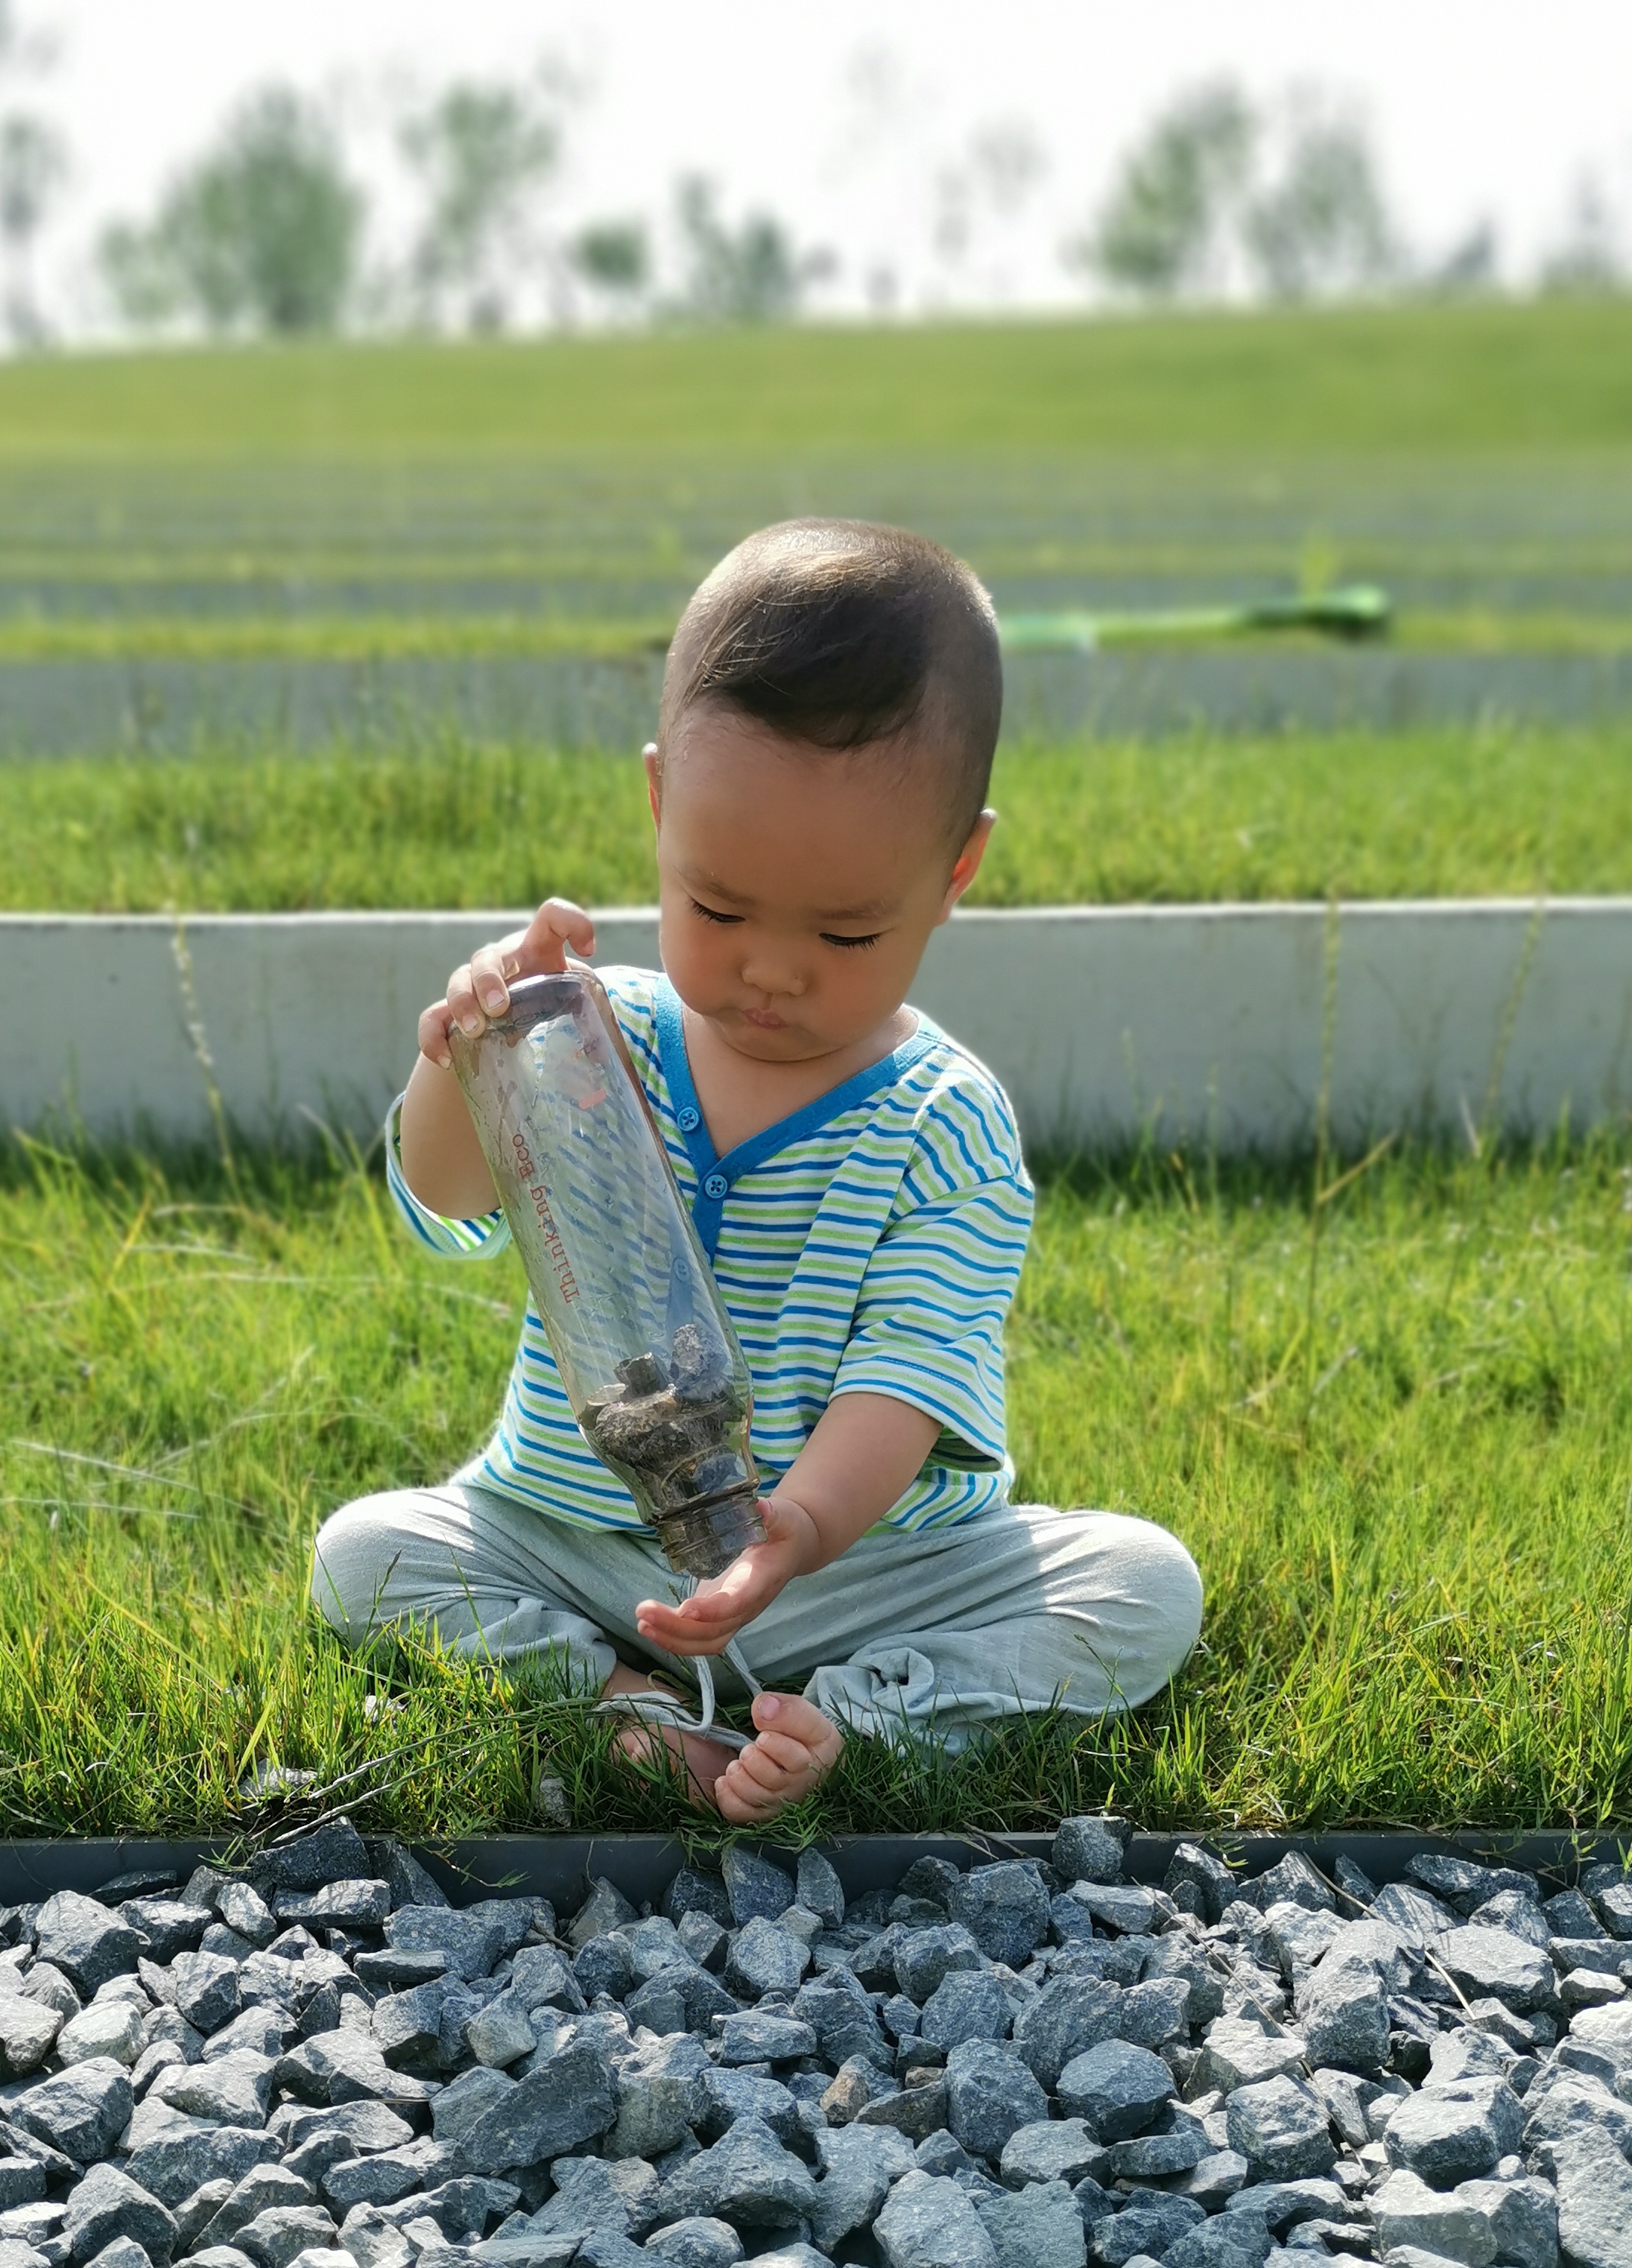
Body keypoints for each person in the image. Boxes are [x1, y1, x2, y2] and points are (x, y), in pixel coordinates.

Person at [312, 518, 1202, 1821]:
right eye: (717, 909)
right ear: (663, 804)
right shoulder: (584, 1044)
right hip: (581, 1553)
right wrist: (467, 1052)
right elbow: (445, 1199)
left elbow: (905, 1382)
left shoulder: (944, 1121)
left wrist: (796, 1535)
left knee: (1145, 1584)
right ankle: (622, 1705)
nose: (771, 968)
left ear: (956, 871)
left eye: (846, 930)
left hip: (853, 1576)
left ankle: (857, 1713)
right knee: (365, 1554)